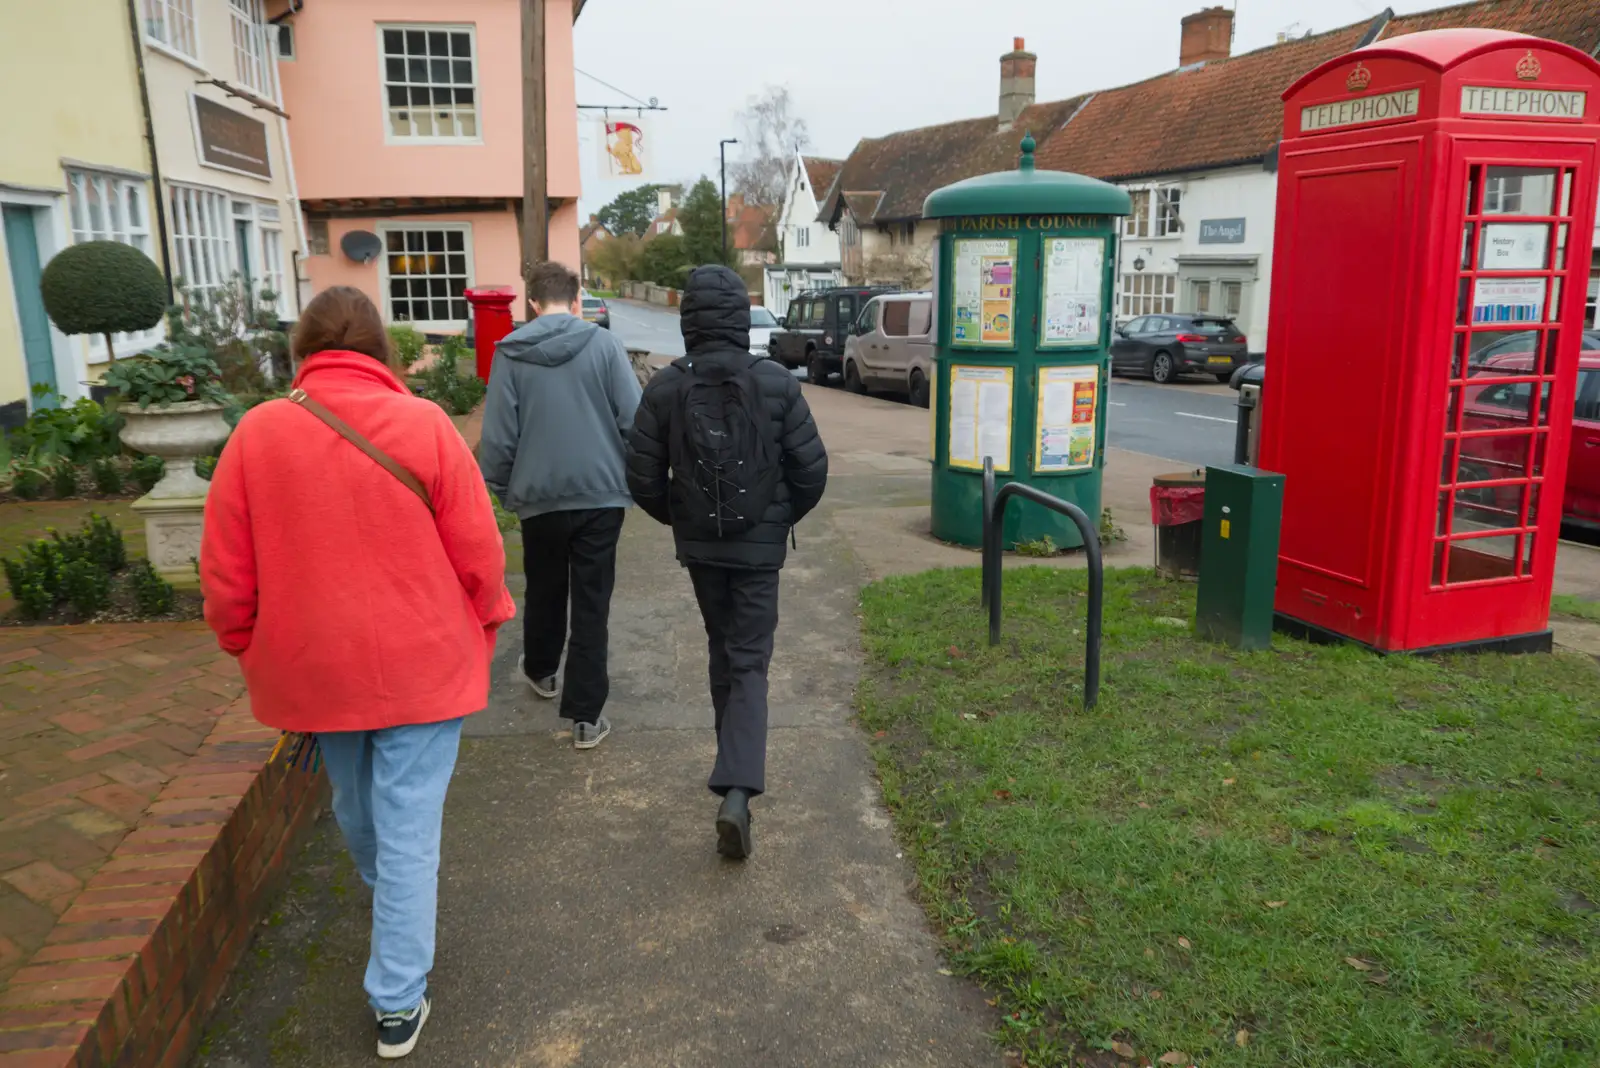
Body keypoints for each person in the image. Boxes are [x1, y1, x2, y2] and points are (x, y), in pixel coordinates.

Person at [201, 287, 513, 1060]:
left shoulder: (257, 433)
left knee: (357, 806)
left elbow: (226, 570)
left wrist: (246, 643)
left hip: (315, 668)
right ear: (382, 353)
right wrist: (488, 617)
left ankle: (395, 928)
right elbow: (478, 548)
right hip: (426, 659)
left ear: (303, 353)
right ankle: (397, 997)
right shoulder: (425, 425)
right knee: (408, 822)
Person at [625, 265, 828, 859]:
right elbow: (811, 471)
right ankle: (737, 787)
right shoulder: (776, 383)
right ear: (741, 317)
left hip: (702, 549)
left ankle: (730, 763)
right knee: (749, 659)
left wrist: (681, 518)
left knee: (723, 647)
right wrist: (779, 519)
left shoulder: (664, 387)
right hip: (759, 552)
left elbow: (640, 478)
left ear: (688, 320)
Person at [479, 261, 643, 749]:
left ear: (532, 303)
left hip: (538, 495)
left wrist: (511, 491)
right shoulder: (605, 346)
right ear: (576, 301)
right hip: (600, 495)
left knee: (545, 586)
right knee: (592, 603)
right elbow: (634, 418)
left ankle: (542, 670)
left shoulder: (508, 354)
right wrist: (632, 477)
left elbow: (498, 440)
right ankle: (586, 717)